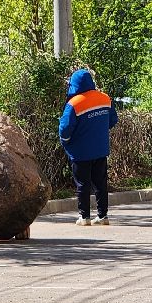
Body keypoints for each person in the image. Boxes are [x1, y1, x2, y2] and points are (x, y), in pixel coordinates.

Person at [58, 68, 118, 226]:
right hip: (100, 149)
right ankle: (103, 216)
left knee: (82, 184)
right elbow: (113, 120)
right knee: (100, 183)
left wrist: (66, 141)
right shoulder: (105, 98)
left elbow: (64, 128)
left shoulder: (74, 103)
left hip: (80, 151)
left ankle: (84, 217)